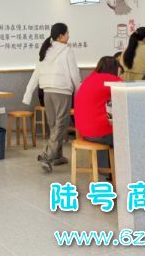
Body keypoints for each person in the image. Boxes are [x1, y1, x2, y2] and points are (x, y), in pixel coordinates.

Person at [23, 23, 81, 173]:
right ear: (60, 36)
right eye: (67, 33)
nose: (69, 36)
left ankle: (57, 157)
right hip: (62, 91)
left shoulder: (46, 50)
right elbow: (74, 73)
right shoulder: (67, 50)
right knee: (61, 124)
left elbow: (36, 73)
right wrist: (79, 91)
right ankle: (47, 156)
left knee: (54, 125)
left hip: (47, 91)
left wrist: (28, 94)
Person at [74, 56, 122, 170]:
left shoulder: (89, 79)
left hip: (83, 131)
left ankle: (105, 170)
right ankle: (121, 172)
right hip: (99, 134)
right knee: (128, 136)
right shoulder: (112, 81)